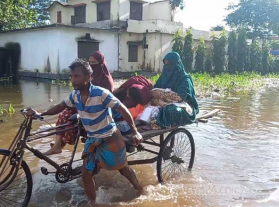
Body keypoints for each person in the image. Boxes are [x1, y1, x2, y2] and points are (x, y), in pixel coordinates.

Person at [27, 59, 143, 204]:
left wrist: (134, 131)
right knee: (86, 173)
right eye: (71, 76)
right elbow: (59, 107)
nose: (72, 80)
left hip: (110, 139)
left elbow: (122, 109)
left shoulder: (101, 94)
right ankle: (93, 202)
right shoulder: (75, 96)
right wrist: (41, 114)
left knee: (123, 169)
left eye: (76, 76)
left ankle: (140, 189)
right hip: (93, 140)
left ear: (88, 77)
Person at [45, 51, 114, 155]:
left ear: (101, 63)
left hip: (96, 112)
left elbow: (104, 103)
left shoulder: (106, 83)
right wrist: (42, 114)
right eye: (89, 62)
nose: (91, 65)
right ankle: (58, 145)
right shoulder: (79, 85)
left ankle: (62, 143)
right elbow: (65, 103)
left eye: (94, 63)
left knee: (71, 120)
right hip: (83, 107)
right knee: (65, 114)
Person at [153, 52, 199, 128]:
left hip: (183, 105)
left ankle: (161, 123)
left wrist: (161, 95)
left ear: (175, 64)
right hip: (163, 102)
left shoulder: (184, 79)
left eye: (169, 64)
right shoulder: (164, 77)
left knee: (172, 111)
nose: (166, 66)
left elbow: (180, 97)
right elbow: (155, 88)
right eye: (165, 63)